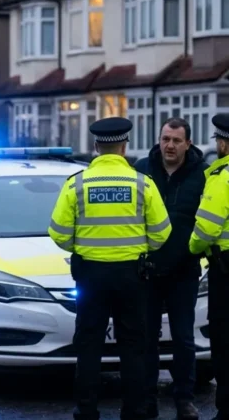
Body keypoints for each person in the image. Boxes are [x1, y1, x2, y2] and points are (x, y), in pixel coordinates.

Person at [48, 117, 172, 420]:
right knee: (133, 345)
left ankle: (87, 410)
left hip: (91, 276)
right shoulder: (142, 183)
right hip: (132, 275)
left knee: (89, 344)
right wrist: (138, 247)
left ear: (96, 147)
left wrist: (84, 247)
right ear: (124, 146)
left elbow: (58, 232)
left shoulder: (77, 184)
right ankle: (134, 410)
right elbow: (162, 231)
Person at [133, 118, 206, 420]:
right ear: (159, 139)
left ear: (188, 144)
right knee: (146, 339)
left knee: (183, 339)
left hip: (184, 271)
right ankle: (147, 400)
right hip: (147, 270)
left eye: (176, 140)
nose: (170, 146)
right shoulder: (142, 169)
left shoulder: (202, 175)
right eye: (165, 139)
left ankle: (184, 399)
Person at [189, 113, 229, 420]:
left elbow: (206, 228)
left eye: (219, 140)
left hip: (225, 268)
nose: (217, 145)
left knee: (224, 338)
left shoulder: (222, 177)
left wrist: (192, 249)